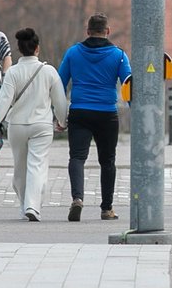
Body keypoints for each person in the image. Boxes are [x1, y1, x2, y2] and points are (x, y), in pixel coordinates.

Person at [0, 28, 68, 222]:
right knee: (37, 166)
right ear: (37, 48)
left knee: (20, 168)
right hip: (42, 126)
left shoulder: (12, 72)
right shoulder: (49, 71)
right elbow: (60, 101)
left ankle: (24, 206)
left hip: (17, 126)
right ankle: (33, 206)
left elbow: (3, 101)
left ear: (20, 49)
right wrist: (62, 121)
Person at [58, 12, 131, 222]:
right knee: (107, 161)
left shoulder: (73, 53)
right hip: (107, 114)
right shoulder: (119, 55)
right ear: (107, 31)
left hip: (80, 112)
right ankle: (106, 209)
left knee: (77, 157)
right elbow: (128, 85)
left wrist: (59, 115)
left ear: (88, 31)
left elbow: (59, 84)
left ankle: (77, 198)